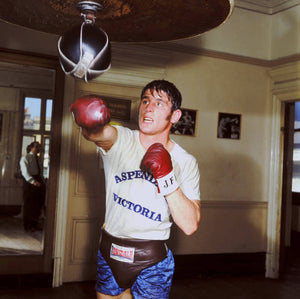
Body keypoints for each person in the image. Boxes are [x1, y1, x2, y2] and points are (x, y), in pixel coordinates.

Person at [70, 80, 201, 299]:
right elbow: (98, 134)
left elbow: (189, 225)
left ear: (175, 116)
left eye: (159, 103)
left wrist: (167, 177)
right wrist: (89, 120)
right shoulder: (122, 139)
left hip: (151, 259)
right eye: (145, 100)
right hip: (110, 249)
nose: (148, 107)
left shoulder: (185, 162)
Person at [19, 141, 46, 232]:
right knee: (29, 204)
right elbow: (25, 172)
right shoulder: (25, 158)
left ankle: (34, 224)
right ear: (31, 148)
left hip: (38, 180)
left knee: (37, 204)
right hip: (29, 182)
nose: (38, 149)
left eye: (39, 147)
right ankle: (27, 225)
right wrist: (33, 181)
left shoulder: (38, 159)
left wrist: (41, 181)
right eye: (36, 147)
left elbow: (40, 171)